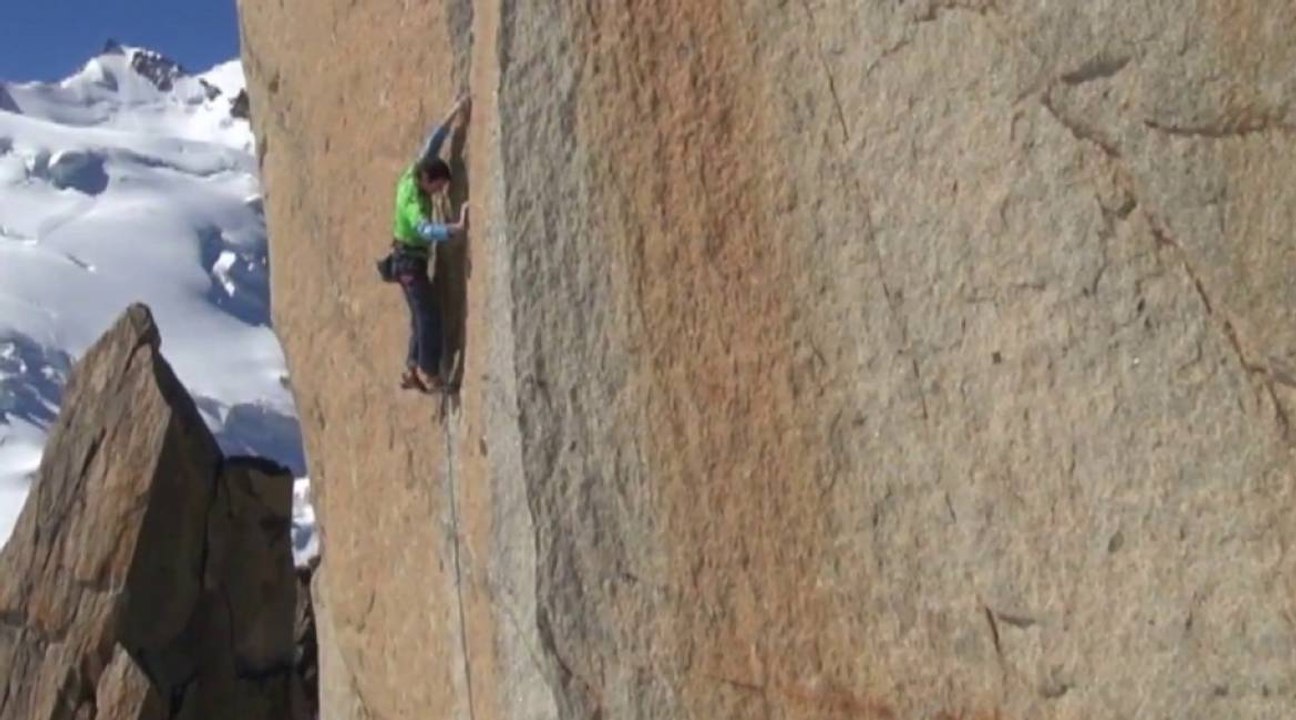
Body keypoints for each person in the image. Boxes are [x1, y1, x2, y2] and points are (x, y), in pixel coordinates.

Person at [390, 94, 471, 393]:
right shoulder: (414, 202)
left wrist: (454, 112)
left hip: (405, 262)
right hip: (410, 263)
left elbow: (432, 145)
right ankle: (427, 371)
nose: (439, 193)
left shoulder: (414, 173)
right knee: (429, 316)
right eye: (438, 187)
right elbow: (425, 229)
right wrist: (456, 228)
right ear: (428, 180)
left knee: (418, 314)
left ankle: (413, 366)